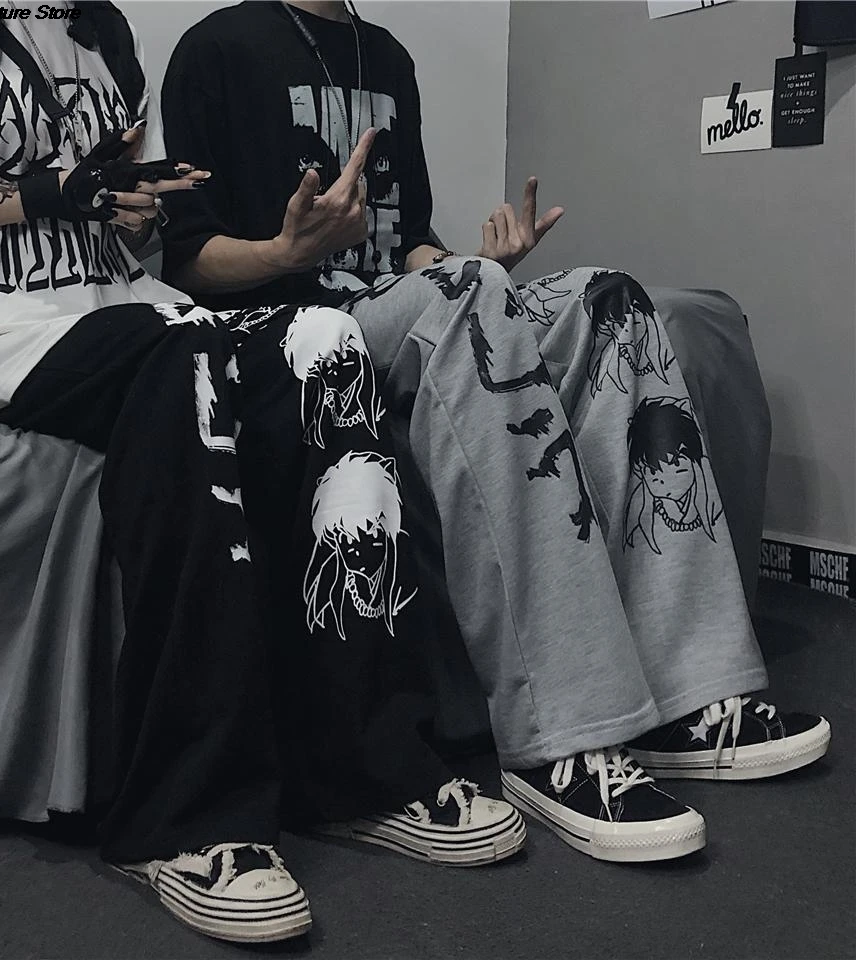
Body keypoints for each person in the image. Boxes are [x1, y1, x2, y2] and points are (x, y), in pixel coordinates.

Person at [0, 1, 525, 946]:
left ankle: (364, 768)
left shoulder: (103, 34)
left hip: (123, 302)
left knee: (326, 339)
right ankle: (183, 816)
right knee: (186, 360)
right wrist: (52, 192)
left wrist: (135, 211)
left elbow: (131, 232)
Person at [159, 0, 831, 865]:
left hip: (392, 308)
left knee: (608, 298)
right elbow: (186, 258)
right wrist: (288, 253)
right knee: (468, 294)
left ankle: (690, 695)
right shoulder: (214, 46)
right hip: (288, 333)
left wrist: (475, 268)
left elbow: (408, 245)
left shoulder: (385, 56)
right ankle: (560, 736)